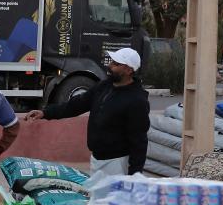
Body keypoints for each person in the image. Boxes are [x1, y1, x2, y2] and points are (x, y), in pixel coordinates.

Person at [25, 47, 150, 177]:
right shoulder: (104, 86)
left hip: (117, 163)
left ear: (129, 70)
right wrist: (45, 113)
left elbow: (139, 141)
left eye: (116, 64)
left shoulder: (137, 101)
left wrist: (134, 177)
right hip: (96, 159)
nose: (110, 66)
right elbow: (76, 105)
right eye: (112, 62)